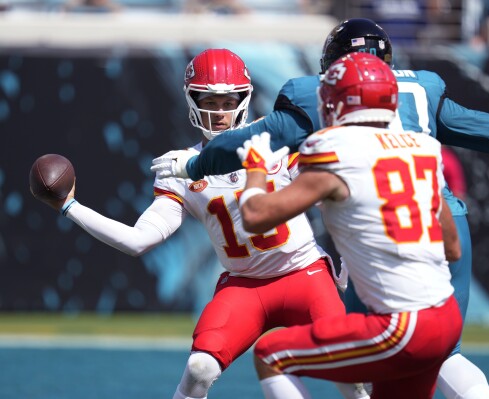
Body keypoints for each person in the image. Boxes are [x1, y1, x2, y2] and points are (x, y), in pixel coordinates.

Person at [151, 18, 489, 399]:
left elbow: (258, 208)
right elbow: (481, 161)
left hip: (378, 240)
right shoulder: (420, 142)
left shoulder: (329, 146)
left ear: (336, 92)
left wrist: (209, 165)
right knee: (440, 357)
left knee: (280, 355)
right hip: (433, 227)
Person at [33, 49, 368, 399]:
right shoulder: (182, 167)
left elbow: (336, 192)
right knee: (199, 369)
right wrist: (69, 206)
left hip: (305, 274)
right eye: (209, 99)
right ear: (191, 100)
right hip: (245, 286)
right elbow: (138, 241)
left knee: (351, 370)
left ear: (244, 98)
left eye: (227, 100)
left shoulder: (278, 142)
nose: (219, 110)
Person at [236, 52, 463, 398]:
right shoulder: (422, 147)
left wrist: (255, 168)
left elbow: (254, 216)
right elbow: (452, 248)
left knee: (272, 355)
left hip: (402, 325)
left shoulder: (334, 151)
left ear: (338, 103)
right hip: (446, 318)